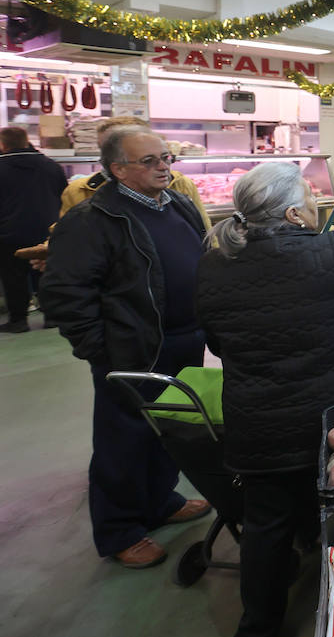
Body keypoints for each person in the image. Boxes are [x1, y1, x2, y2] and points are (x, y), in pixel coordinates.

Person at [195, 161, 334, 637]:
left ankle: (257, 627)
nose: (317, 200)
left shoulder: (214, 262)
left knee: (266, 527)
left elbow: (216, 342)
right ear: (295, 215)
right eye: (311, 195)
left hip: (260, 431)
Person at [40, 126, 212, 568]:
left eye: (166, 158)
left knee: (171, 431)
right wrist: (101, 350)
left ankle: (160, 501)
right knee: (124, 440)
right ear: (118, 169)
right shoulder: (93, 220)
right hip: (131, 351)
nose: (163, 167)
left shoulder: (178, 204)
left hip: (185, 341)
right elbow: (64, 294)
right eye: (150, 161)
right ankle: (120, 529)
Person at [61, 115, 211, 228]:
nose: (163, 167)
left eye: (165, 158)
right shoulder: (80, 191)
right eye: (105, 149)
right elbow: (68, 242)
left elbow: (205, 233)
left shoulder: (179, 185)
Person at [0, 126, 66, 332]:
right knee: (45, 273)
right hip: (47, 230)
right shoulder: (51, 166)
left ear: (3, 145)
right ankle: (52, 316)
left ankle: (18, 320)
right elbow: (64, 196)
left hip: (8, 231)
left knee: (13, 277)